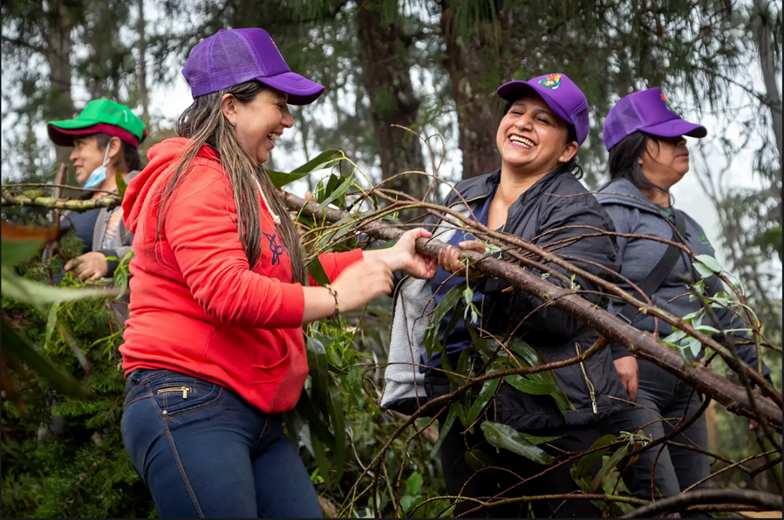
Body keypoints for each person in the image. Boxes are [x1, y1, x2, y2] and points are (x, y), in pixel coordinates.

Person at [118, 28, 437, 518]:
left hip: (252, 413)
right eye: (279, 104)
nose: (288, 121)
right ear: (230, 106)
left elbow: (286, 274)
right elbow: (228, 293)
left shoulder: (242, 181)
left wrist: (388, 258)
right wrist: (335, 298)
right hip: (190, 401)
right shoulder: (196, 178)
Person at [382, 73, 629, 518]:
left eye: (544, 120)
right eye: (516, 112)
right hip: (468, 406)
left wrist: (490, 273)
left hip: (556, 415)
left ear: (568, 149)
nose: (522, 124)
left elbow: (565, 312)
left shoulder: (579, 211)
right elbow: (428, 292)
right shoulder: (464, 195)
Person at [596, 88, 771, 516]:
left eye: (683, 137)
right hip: (634, 387)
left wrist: (759, 384)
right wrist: (619, 349)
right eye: (670, 137)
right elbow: (591, 288)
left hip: (690, 389)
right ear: (638, 149)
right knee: (664, 508)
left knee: (702, 507)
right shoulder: (602, 213)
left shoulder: (690, 227)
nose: (683, 145)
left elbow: (722, 309)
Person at [46, 99, 147, 322]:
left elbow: (159, 252)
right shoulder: (74, 207)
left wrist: (108, 260)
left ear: (112, 147)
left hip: (112, 336)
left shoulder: (142, 196)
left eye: (80, 144)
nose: (72, 156)